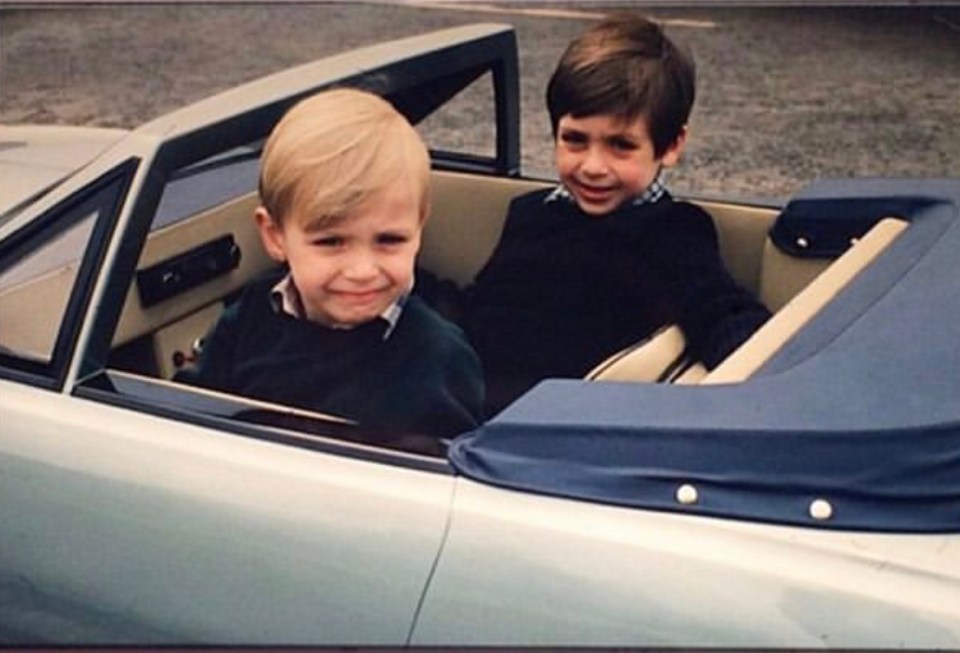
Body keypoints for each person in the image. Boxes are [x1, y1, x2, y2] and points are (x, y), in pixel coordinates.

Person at [463, 13, 771, 415]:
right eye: (575, 140)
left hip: (565, 429)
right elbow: (484, 307)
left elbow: (722, 314)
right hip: (475, 408)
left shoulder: (673, 231)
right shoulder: (530, 213)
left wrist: (774, 377)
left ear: (671, 146)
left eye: (620, 145)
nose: (592, 165)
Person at [177, 88, 484, 439]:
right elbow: (189, 414)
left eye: (389, 240)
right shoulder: (249, 316)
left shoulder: (439, 357)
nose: (362, 271)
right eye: (331, 242)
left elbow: (442, 483)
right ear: (275, 237)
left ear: (418, 227)